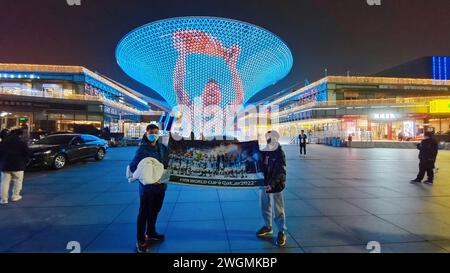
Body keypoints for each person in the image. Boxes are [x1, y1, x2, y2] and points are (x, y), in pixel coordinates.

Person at [129, 124, 168, 253]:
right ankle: (140, 240)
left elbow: (167, 164)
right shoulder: (142, 150)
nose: (153, 135)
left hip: (161, 186)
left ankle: (151, 232)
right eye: (151, 132)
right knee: (144, 213)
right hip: (148, 189)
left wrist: (163, 179)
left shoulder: (162, 147)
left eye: (156, 132)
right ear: (146, 133)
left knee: (155, 210)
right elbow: (134, 167)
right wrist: (149, 177)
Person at [256, 130, 287, 247]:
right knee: (264, 206)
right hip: (264, 184)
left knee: (278, 209)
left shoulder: (279, 153)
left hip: (275, 186)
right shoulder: (264, 151)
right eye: (267, 138)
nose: (268, 140)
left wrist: (272, 184)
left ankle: (281, 231)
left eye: (270, 138)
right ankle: (268, 226)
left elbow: (281, 172)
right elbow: (258, 165)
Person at [0, 129, 30, 204]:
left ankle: (3, 199)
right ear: (19, 135)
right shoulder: (22, 143)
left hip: (5, 165)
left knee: (4, 182)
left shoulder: (3, 143)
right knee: (17, 181)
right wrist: (25, 161)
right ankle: (15, 196)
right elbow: (27, 153)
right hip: (18, 165)